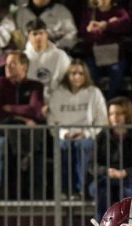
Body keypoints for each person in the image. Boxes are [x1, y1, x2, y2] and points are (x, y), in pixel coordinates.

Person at [46, 60, 109, 198]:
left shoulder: (94, 92)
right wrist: (63, 134)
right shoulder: (58, 93)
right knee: (64, 147)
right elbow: (52, 120)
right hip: (64, 135)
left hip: (86, 135)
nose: (76, 77)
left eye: (80, 73)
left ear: (85, 75)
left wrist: (86, 133)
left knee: (81, 147)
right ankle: (63, 190)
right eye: (73, 73)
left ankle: (79, 190)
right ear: (67, 75)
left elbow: (101, 119)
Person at [0, 51, 47, 195]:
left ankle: (37, 196)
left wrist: (9, 108)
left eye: (12, 64)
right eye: (6, 64)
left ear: (24, 67)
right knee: (1, 146)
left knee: (37, 152)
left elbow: (35, 110)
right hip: (6, 132)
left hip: (29, 135)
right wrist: (23, 118)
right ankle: (4, 192)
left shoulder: (36, 86)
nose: (7, 67)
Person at [93, 97, 132, 216]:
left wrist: (125, 172)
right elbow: (92, 164)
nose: (114, 117)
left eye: (118, 113)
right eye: (111, 114)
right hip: (106, 177)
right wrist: (106, 171)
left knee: (130, 194)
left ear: (127, 115)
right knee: (101, 192)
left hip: (129, 177)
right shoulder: (102, 136)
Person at [81, 0, 132, 98]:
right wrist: (109, 28)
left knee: (116, 71)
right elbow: (85, 33)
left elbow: (126, 24)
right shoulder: (90, 13)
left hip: (115, 55)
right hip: (94, 55)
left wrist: (106, 26)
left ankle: (111, 100)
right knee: (90, 72)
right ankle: (94, 100)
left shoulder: (119, 11)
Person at [23, 19, 72, 91]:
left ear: (46, 34)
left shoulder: (60, 56)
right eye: (35, 34)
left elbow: (68, 82)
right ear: (29, 36)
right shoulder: (23, 57)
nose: (38, 37)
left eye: (41, 33)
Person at [14, 0, 80, 51]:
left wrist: (54, 46)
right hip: (28, 56)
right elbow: (18, 38)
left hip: (55, 55)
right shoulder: (21, 13)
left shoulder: (61, 11)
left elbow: (72, 36)